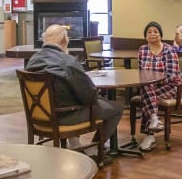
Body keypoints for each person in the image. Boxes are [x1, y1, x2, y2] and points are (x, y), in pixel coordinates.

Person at [26, 24, 122, 159]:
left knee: (72, 98)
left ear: (45, 40)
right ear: (64, 41)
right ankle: (94, 149)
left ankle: (75, 145)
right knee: (116, 108)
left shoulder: (32, 60)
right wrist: (98, 97)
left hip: (39, 116)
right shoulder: (68, 62)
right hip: (65, 117)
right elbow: (89, 96)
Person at [137, 22, 182, 150]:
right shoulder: (143, 50)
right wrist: (150, 82)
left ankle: (150, 135)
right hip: (151, 89)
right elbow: (141, 72)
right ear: (145, 36)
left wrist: (152, 82)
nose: (152, 34)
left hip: (172, 87)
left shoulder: (169, 50)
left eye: (155, 31)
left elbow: (172, 76)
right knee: (147, 88)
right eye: (149, 32)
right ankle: (154, 120)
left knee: (146, 90)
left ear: (160, 35)